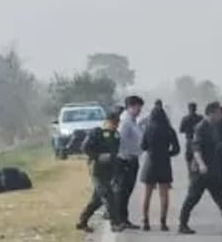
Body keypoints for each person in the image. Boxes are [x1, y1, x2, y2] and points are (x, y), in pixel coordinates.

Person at [179, 101, 222, 234]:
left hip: (213, 169)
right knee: (193, 198)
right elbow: (196, 149)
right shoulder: (201, 127)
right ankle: (182, 224)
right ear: (212, 113)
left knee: (221, 198)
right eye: (218, 113)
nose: (221, 115)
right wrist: (201, 164)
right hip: (201, 171)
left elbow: (216, 145)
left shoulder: (214, 126)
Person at [77, 109, 123, 232]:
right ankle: (115, 223)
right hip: (97, 169)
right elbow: (85, 147)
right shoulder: (97, 132)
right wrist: (98, 156)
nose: (115, 125)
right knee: (108, 195)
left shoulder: (116, 135)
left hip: (108, 170)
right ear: (107, 121)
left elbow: (115, 153)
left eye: (117, 123)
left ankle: (82, 221)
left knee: (97, 200)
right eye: (114, 122)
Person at [139, 103, 180, 231]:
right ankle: (163, 222)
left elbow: (143, 146)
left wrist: (152, 150)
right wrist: (167, 154)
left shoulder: (148, 129)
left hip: (150, 162)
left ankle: (145, 221)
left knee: (147, 194)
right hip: (164, 163)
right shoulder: (169, 130)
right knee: (164, 194)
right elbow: (177, 149)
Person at [114, 95, 145, 229]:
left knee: (126, 191)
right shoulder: (125, 122)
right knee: (123, 191)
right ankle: (120, 219)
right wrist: (126, 155)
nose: (139, 110)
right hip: (125, 160)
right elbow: (120, 142)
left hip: (132, 159)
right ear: (130, 107)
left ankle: (124, 219)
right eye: (138, 107)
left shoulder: (132, 121)